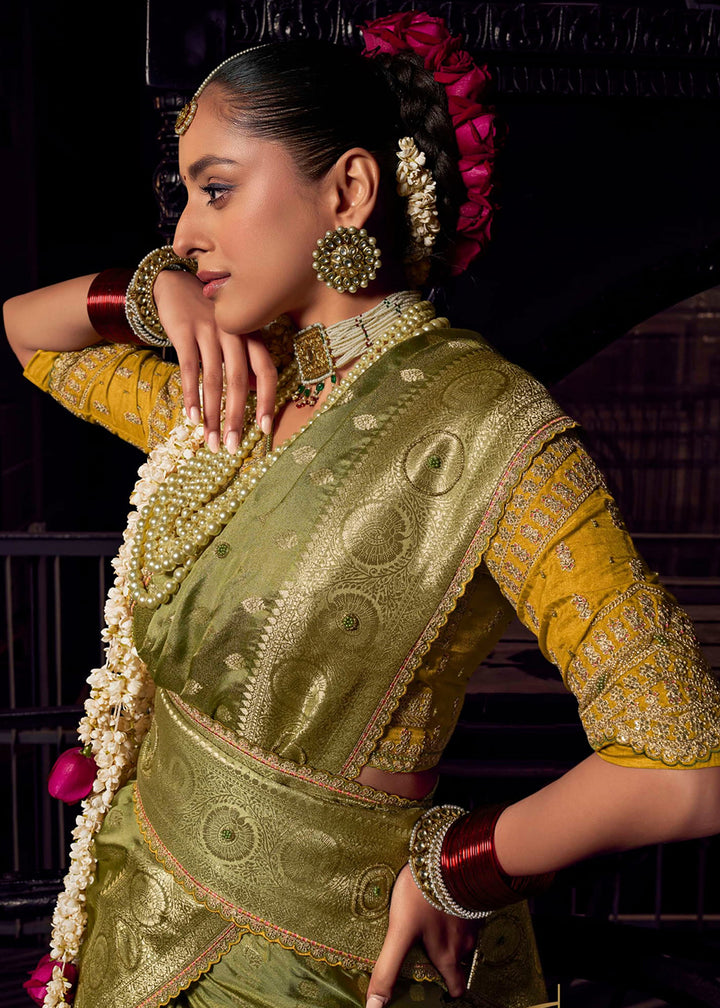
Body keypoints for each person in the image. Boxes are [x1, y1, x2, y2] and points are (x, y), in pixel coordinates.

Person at [4, 13, 720, 1008]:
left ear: (347, 191)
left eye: (217, 190)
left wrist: (464, 867)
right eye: (184, 197)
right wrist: (152, 297)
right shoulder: (229, 395)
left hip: (323, 964)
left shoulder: (489, 429)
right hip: (135, 914)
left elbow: (688, 764)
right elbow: (28, 337)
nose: (184, 236)